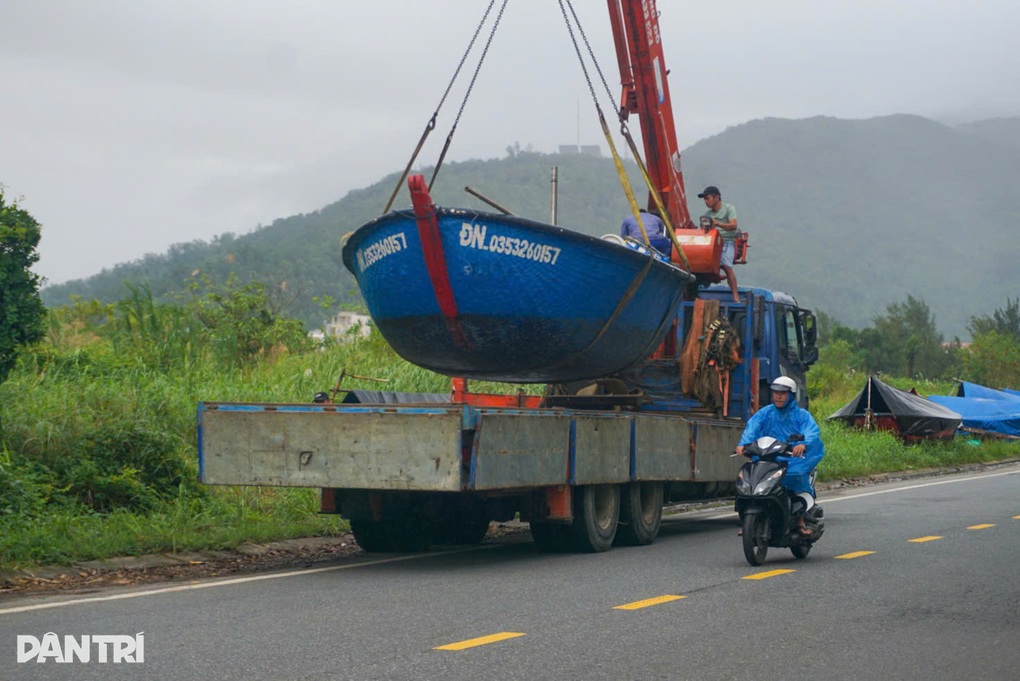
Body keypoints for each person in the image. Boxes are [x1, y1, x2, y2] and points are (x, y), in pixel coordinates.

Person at [735, 376, 825, 535]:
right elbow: (752, 428)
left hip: (792, 458)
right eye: (776, 392)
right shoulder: (765, 413)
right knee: (748, 478)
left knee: (795, 475)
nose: (778, 396)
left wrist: (802, 444)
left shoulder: (801, 415)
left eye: (783, 393)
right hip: (768, 457)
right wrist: (744, 444)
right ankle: (748, 518)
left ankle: (800, 520)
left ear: (791, 395)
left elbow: (811, 431)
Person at [697, 186, 740, 302]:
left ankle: (735, 296)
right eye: (705, 199)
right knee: (698, 264)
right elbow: (703, 231)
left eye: (708, 198)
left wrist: (718, 224)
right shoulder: (707, 214)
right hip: (711, 243)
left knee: (727, 266)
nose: (706, 202)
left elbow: (733, 226)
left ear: (717, 197)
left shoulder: (729, 209)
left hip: (726, 242)